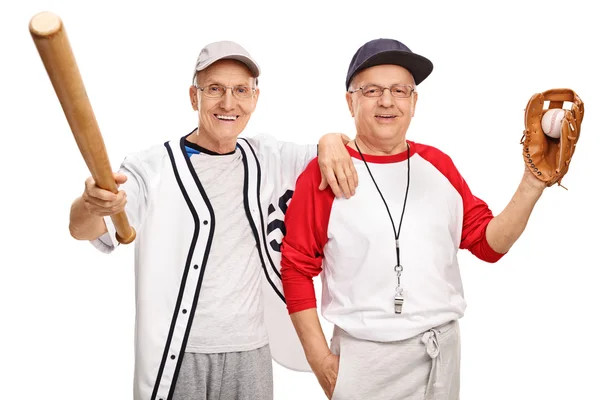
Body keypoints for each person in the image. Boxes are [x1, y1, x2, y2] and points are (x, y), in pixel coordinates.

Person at [67, 40, 358, 400]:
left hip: (251, 351)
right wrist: (90, 205)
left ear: (255, 97)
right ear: (194, 96)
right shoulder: (149, 168)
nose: (228, 103)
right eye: (215, 89)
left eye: (241, 91)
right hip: (179, 356)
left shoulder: (269, 157)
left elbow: (349, 153)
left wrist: (329, 139)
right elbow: (83, 230)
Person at [280, 38, 549, 400]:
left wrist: (532, 183)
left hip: (441, 353)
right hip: (363, 361)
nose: (387, 101)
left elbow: (488, 244)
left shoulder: (439, 165)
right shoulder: (323, 174)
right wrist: (322, 363)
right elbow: (296, 269)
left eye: (400, 90)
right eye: (372, 90)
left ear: (414, 101)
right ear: (351, 101)